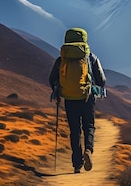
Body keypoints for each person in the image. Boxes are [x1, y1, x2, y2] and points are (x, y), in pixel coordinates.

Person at [49, 28, 106, 173]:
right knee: (89, 126)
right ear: (84, 39)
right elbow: (102, 79)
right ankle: (88, 149)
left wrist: (59, 89)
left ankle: (76, 164)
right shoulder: (91, 57)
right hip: (87, 97)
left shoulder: (62, 59)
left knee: (74, 130)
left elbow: (52, 79)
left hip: (69, 98)